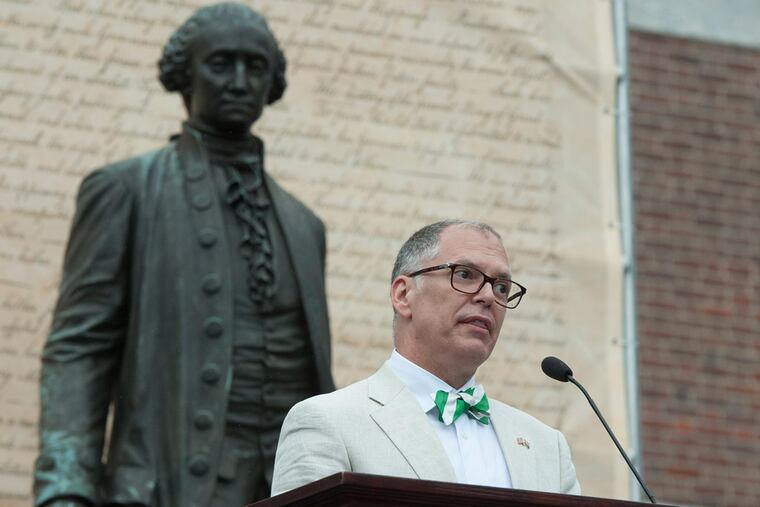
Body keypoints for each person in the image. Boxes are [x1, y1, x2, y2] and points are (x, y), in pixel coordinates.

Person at [33, 4, 334, 507]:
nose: (239, 81)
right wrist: (66, 488)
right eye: (221, 63)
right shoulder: (125, 189)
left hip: (287, 489)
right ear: (184, 73)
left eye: (255, 67)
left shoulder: (305, 226)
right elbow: (78, 348)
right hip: (165, 486)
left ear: (273, 82)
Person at [271, 220, 580, 495]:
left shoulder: (547, 447)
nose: (488, 297)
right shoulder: (327, 423)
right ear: (403, 295)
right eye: (464, 274)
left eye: (501, 286)